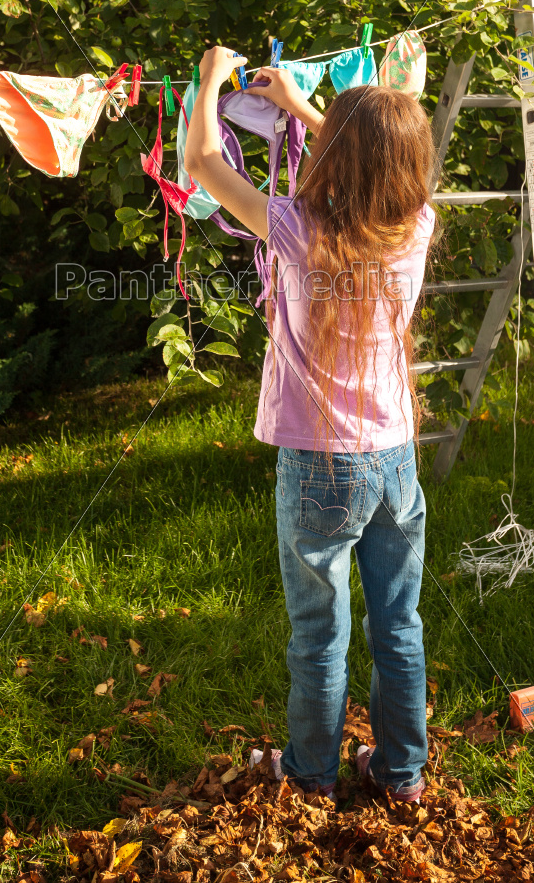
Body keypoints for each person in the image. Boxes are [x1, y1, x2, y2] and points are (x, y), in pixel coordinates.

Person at [184, 44, 437, 802]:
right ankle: (401, 776)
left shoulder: (295, 226)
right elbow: (375, 157)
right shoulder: (417, 224)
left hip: (320, 466)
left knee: (319, 636)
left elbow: (200, 159)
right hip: (394, 458)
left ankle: (312, 776)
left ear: (337, 155)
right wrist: (300, 104)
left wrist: (207, 79)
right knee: (399, 625)